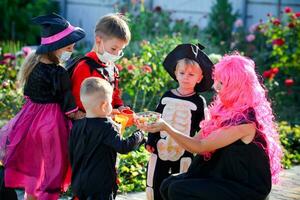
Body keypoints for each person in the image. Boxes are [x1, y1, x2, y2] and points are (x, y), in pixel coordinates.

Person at [138, 53, 282, 200]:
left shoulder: (246, 122)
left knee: (178, 190)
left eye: (222, 83)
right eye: (217, 81)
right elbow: (194, 141)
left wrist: (166, 127)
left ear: (236, 86)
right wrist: (159, 128)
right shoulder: (225, 110)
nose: (215, 86)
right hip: (223, 176)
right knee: (167, 184)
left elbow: (200, 146)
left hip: (245, 186)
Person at [0, 13, 86, 200]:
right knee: (50, 169)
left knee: (33, 168)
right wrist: (80, 115)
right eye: (69, 47)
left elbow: (27, 94)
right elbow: (67, 104)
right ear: (55, 48)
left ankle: (30, 197)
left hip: (29, 121)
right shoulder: (60, 72)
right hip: (51, 126)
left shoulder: (33, 66)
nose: (71, 50)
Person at [145, 43, 213, 200]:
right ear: (175, 73)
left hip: (185, 151)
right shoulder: (167, 95)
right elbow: (156, 118)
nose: (185, 78)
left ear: (200, 78)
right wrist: (151, 140)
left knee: (179, 187)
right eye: (182, 73)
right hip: (160, 149)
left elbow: (204, 127)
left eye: (191, 75)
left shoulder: (198, 102)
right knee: (154, 184)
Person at [69, 77, 144, 200]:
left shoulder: (77, 125)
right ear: (104, 105)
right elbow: (123, 147)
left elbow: (71, 152)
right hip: (101, 184)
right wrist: (140, 135)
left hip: (79, 181)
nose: (111, 105)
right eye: (110, 103)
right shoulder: (106, 126)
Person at [71, 13, 130, 113]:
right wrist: (107, 112)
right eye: (114, 48)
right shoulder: (85, 67)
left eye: (120, 50)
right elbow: (78, 101)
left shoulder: (112, 68)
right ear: (98, 40)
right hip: (89, 124)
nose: (116, 54)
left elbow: (114, 94)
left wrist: (119, 107)